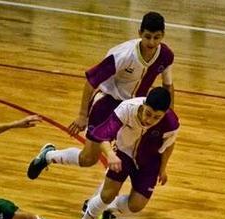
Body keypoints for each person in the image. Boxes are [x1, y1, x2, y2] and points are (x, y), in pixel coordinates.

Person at [27, 11, 174, 180]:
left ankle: (101, 203)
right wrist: (82, 115)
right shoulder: (123, 55)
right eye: (148, 37)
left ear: (163, 35)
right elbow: (91, 82)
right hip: (107, 103)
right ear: (139, 33)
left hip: (135, 108)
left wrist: (168, 114)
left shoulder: (166, 55)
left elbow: (168, 85)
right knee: (88, 159)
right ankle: (48, 156)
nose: (152, 42)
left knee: (125, 155)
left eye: (157, 37)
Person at [72, 87, 180, 219]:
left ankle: (110, 209)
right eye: (148, 113)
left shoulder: (172, 123)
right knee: (107, 195)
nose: (149, 120)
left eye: (157, 117)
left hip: (149, 160)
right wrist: (110, 154)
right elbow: (102, 135)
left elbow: (169, 145)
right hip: (123, 154)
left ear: (165, 113)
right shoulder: (126, 109)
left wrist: (163, 168)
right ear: (144, 104)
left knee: (136, 205)